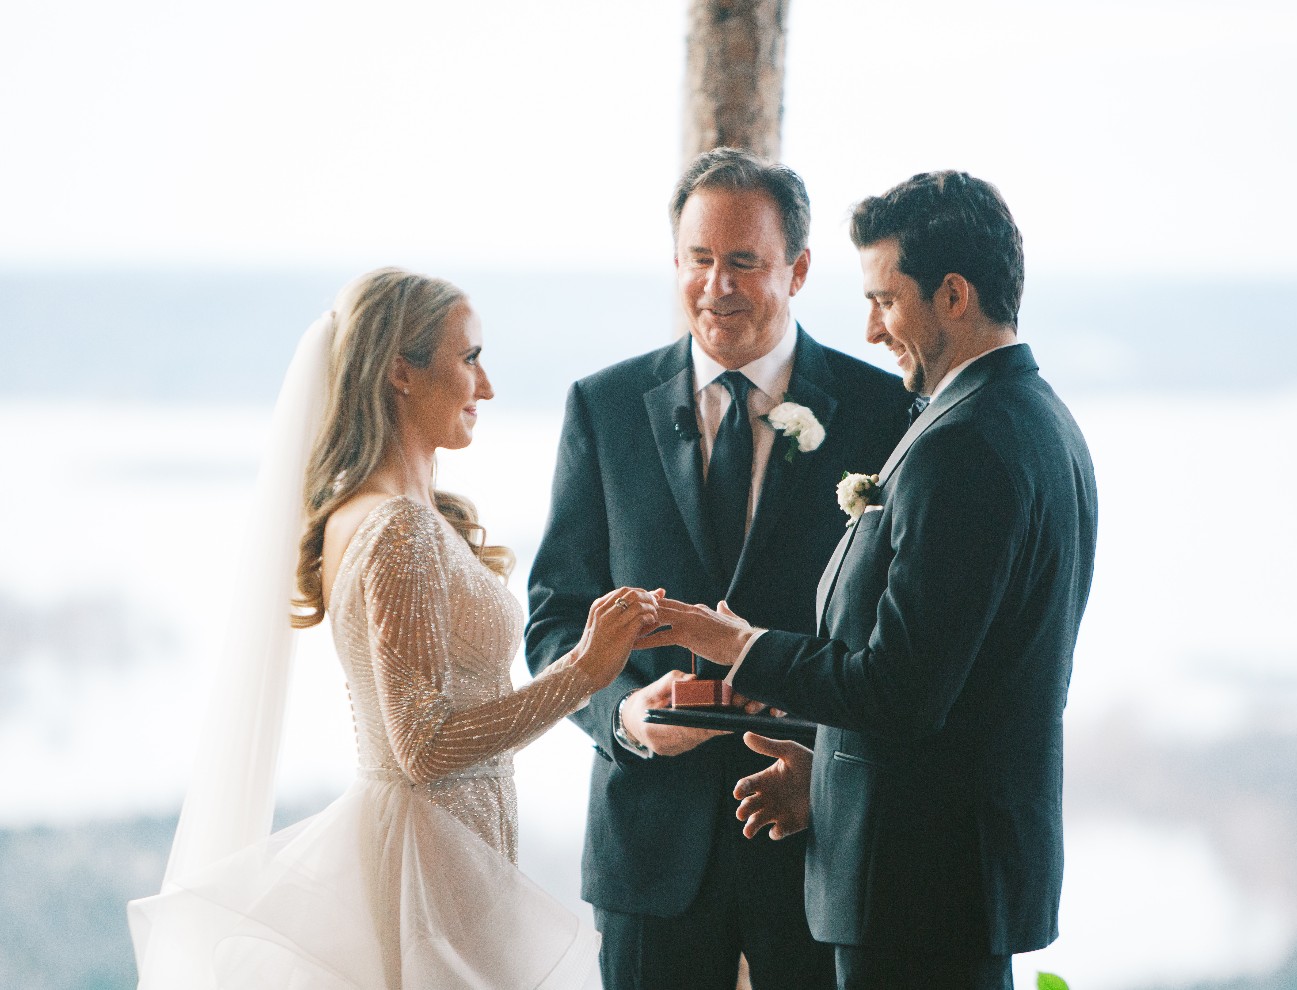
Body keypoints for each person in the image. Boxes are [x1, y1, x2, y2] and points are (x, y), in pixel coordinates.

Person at [127, 267, 659, 989]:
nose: (487, 387)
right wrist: (583, 673)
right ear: (400, 372)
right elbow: (424, 746)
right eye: (469, 358)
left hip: (454, 850)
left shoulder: (407, 514)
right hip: (426, 873)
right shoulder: (399, 529)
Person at [645, 171, 1100, 989]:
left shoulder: (964, 446)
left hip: (922, 888)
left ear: (953, 294)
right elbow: (953, 685)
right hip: (944, 873)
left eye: (886, 300)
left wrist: (739, 645)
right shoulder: (1035, 418)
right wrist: (830, 781)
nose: (871, 328)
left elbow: (900, 689)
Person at [524, 148, 910, 990]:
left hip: (817, 843)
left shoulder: (883, 412)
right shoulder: (603, 408)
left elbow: (898, 640)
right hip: (648, 851)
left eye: (744, 262)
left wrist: (826, 767)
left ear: (798, 270)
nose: (717, 286)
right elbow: (553, 620)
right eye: (698, 259)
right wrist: (625, 716)